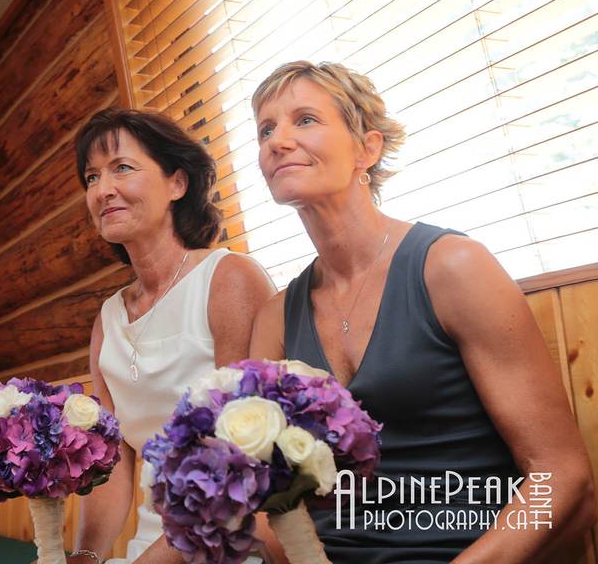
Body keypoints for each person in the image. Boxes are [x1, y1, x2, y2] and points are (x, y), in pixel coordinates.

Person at [248, 60, 596, 562]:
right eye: (265, 129)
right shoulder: (275, 319)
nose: (277, 140)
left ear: (367, 148)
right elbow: (264, 499)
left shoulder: (453, 268)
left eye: (304, 120)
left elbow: (562, 479)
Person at [68, 108, 279, 563]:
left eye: (122, 168)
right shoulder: (108, 320)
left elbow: (245, 459)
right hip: (152, 543)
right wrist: (84, 557)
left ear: (177, 184)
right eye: (91, 177)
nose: (103, 190)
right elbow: (113, 463)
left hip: (233, 537)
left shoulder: (228, 279)